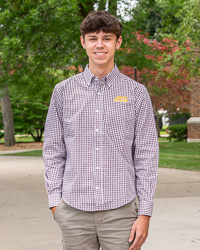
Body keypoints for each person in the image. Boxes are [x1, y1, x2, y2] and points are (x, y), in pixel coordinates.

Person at [43, 10, 159, 250]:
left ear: (118, 42)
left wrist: (145, 213)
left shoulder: (137, 94)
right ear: (83, 42)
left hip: (121, 212)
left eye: (107, 38)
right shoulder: (62, 92)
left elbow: (146, 156)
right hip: (74, 211)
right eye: (93, 38)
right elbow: (53, 151)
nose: (100, 45)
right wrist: (56, 204)